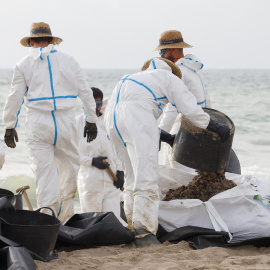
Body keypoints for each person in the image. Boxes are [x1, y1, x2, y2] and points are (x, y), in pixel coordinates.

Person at [104, 57, 230, 246]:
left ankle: (130, 224)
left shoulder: (130, 78)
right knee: (146, 174)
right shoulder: (168, 77)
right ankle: (144, 232)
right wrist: (214, 126)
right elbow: (190, 109)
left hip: (111, 120)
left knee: (131, 175)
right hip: (133, 117)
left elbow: (135, 112)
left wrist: (168, 138)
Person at [2, 22, 98, 221]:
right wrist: (91, 119)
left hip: (38, 121)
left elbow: (14, 97)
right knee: (70, 168)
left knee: (44, 173)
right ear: (53, 40)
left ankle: (48, 219)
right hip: (65, 119)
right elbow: (85, 92)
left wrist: (9, 126)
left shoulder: (23, 64)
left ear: (30, 42)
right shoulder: (70, 61)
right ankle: (66, 217)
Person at [154, 30, 211, 168]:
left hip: (184, 127)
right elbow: (206, 99)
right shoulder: (194, 67)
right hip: (201, 123)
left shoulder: (179, 73)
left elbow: (173, 107)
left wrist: (160, 134)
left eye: (162, 52)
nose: (161, 56)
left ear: (172, 50)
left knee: (175, 166)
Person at [76, 87, 125, 224]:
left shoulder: (108, 123)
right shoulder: (76, 124)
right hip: (90, 182)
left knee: (114, 221)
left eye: (97, 105)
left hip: (111, 181)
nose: (94, 108)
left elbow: (117, 148)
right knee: (92, 222)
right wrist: (91, 161)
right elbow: (71, 155)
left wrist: (120, 171)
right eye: (90, 104)